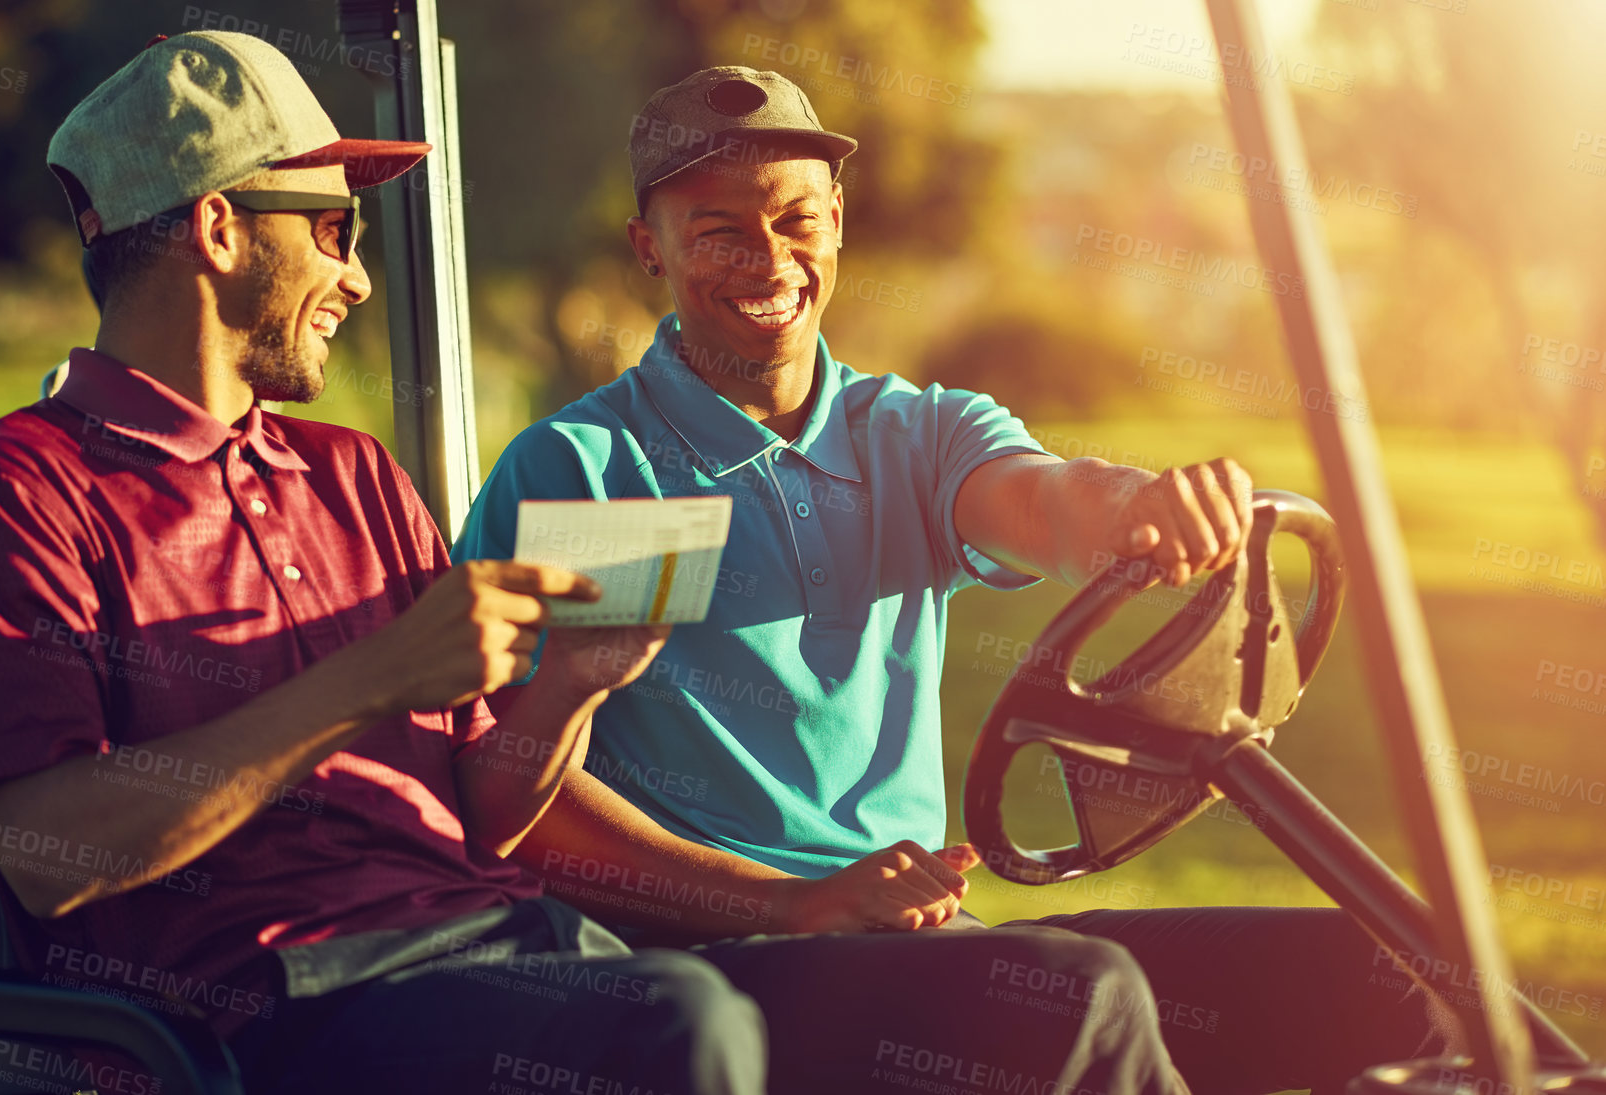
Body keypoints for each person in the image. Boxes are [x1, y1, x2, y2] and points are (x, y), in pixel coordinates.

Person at [0, 34, 1191, 1095]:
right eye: (335, 229)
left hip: (516, 947)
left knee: (1066, 995)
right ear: (223, 227)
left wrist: (569, 684)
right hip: (266, 1005)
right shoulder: (19, 488)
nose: (353, 274)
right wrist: (365, 680)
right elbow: (44, 849)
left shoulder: (349, 477)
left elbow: (489, 806)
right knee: (675, 1025)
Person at [456, 65, 1463, 1093]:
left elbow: (1040, 499)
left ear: (837, 222)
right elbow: (526, 803)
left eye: (798, 221)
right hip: (711, 965)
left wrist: (1134, 506)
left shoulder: (912, 434)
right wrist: (789, 902)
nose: (770, 259)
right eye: (718, 231)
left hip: (913, 941)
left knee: (1390, 973)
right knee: (1079, 993)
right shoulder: (598, 472)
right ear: (649, 251)